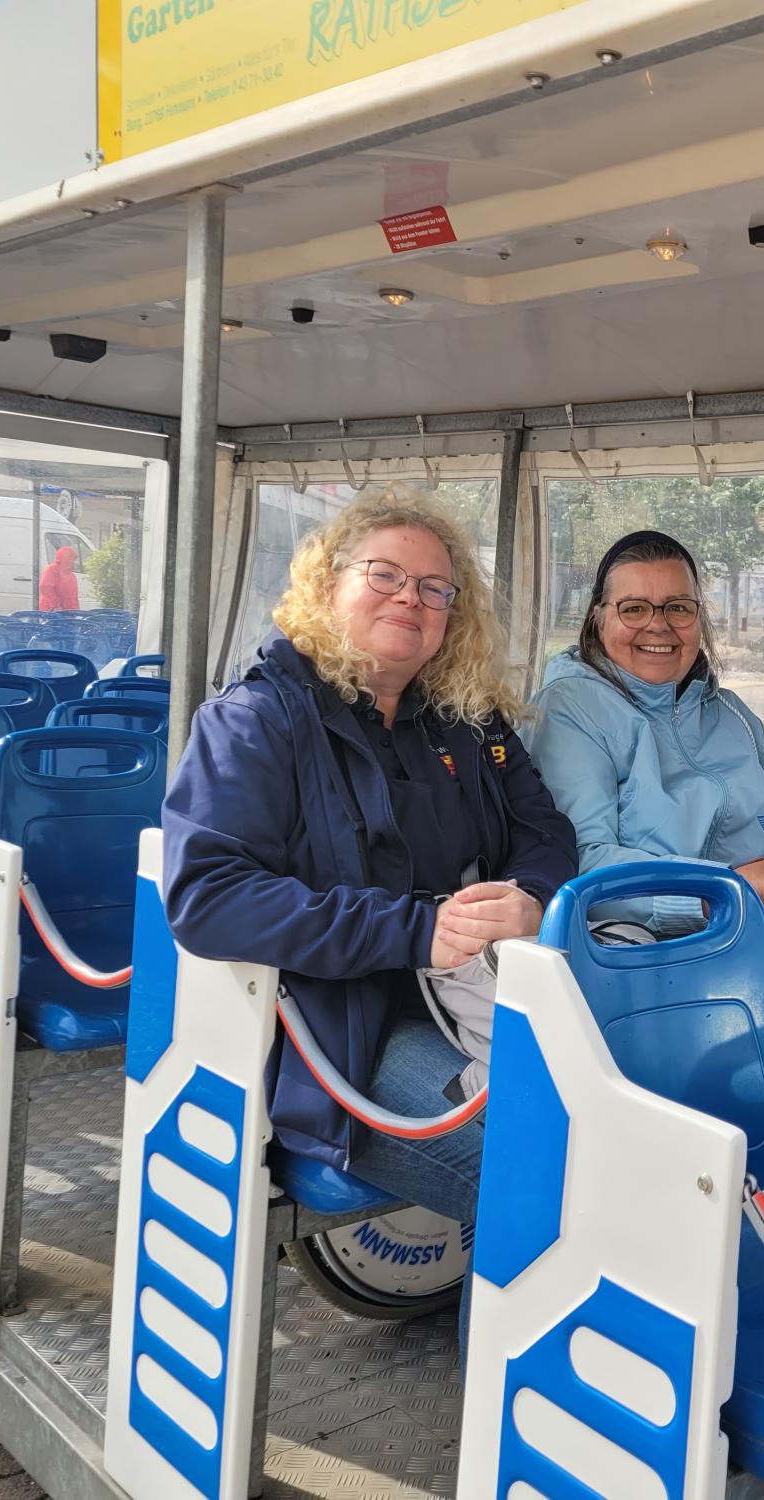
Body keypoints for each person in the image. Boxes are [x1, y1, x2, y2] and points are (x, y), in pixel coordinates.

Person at [162, 488, 577, 1253]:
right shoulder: (255, 721)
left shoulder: (467, 719)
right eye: (383, 575)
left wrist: (530, 896)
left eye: (434, 588)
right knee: (543, 1179)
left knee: (613, 1130)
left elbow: (543, 830)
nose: (410, 598)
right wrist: (417, 930)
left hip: (476, 998)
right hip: (343, 1034)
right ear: (328, 586)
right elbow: (208, 898)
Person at [526, 529, 764, 935]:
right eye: (634, 609)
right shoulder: (569, 710)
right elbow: (580, 857)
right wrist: (720, 893)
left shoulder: (732, 713)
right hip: (668, 950)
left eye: (679, 608)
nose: (658, 625)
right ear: (598, 619)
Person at [38, 544, 80, 611]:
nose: (73, 562)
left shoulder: (71, 575)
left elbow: (74, 596)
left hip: (68, 612)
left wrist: (76, 611)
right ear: (65, 559)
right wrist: (56, 606)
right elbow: (45, 587)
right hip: (51, 612)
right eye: (72, 559)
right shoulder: (52, 570)